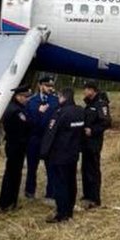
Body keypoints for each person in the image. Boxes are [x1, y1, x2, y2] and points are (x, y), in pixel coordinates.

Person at [40, 87, 84, 223]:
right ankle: (69, 211)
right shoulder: (80, 111)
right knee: (71, 183)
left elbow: (50, 134)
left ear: (63, 97)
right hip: (73, 154)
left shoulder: (60, 113)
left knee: (60, 184)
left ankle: (62, 213)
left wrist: (43, 153)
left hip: (59, 155)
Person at [0, 83, 33, 211]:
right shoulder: (15, 110)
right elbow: (26, 125)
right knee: (11, 174)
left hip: (18, 144)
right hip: (15, 145)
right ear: (18, 96)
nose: (27, 99)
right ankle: (6, 203)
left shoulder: (18, 108)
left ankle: (12, 201)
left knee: (15, 174)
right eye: (25, 96)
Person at [25, 74, 58, 200]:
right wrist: (39, 113)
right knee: (32, 167)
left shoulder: (55, 101)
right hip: (35, 138)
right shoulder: (32, 101)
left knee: (51, 168)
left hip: (49, 139)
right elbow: (29, 121)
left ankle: (51, 193)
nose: (50, 88)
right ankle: (29, 191)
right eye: (47, 85)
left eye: (51, 86)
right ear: (40, 86)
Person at [80, 80, 111, 209]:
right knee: (85, 169)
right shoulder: (88, 103)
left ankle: (95, 198)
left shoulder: (100, 104)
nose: (85, 91)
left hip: (94, 142)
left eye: (87, 89)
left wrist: (92, 130)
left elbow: (106, 123)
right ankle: (87, 194)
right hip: (85, 142)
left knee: (93, 170)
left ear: (93, 90)